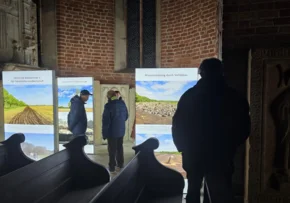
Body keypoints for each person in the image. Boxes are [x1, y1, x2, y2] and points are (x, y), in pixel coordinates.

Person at [172, 58, 251, 203]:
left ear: (201, 72)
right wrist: (231, 146)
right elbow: (244, 127)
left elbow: (178, 125)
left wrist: (182, 147)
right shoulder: (234, 96)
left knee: (193, 191)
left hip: (194, 152)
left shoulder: (189, 96)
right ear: (221, 72)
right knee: (220, 193)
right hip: (221, 153)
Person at [102, 90, 129, 173]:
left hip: (112, 131)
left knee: (112, 150)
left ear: (108, 97)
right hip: (121, 130)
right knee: (119, 147)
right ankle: (120, 164)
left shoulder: (108, 106)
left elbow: (106, 121)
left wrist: (104, 133)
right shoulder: (122, 104)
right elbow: (126, 116)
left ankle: (112, 167)